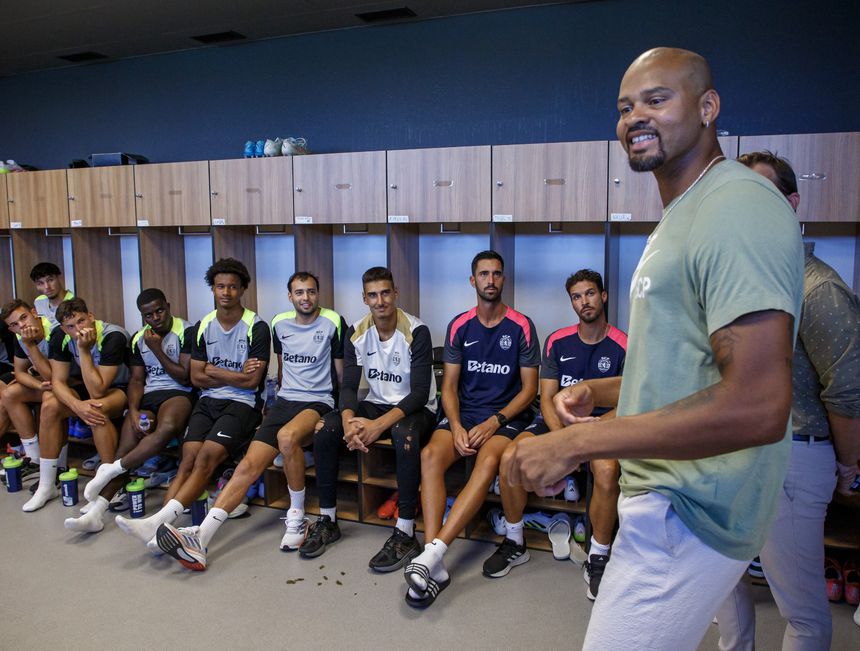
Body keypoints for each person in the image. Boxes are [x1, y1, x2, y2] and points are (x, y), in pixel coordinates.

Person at [502, 47, 803, 650]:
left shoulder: (738, 205)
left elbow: (760, 403)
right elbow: (687, 363)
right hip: (665, 495)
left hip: (686, 508)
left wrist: (578, 442)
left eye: (656, 99)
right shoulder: (681, 216)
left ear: (708, 107)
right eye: (624, 107)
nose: (635, 116)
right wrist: (608, 390)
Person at [715, 151, 860, 650]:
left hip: (794, 456)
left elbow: (846, 393)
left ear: (792, 203)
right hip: (733, 454)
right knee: (724, 589)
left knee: (800, 610)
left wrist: (845, 467)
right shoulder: (740, 280)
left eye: (762, 195)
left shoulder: (818, 291)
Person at [156, 272, 346, 570]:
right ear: (290, 296)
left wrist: (338, 413)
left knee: (286, 439)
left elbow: (342, 376)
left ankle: (296, 519)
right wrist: (272, 404)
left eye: (310, 292)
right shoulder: (279, 323)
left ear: (318, 294)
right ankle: (202, 538)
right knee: (247, 466)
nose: (305, 298)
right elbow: (282, 370)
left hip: (318, 401)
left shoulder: (333, 321)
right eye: (299, 292)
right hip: (285, 401)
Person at [404, 250, 539, 607]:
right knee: (430, 454)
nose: (490, 280)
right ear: (473, 280)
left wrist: (495, 422)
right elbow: (448, 386)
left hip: (504, 420)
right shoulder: (459, 324)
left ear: (503, 280)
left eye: (496, 274)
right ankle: (433, 559)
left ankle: (431, 555)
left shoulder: (522, 325)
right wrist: (460, 425)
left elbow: (529, 390)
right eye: (483, 274)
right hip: (465, 416)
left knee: (488, 461)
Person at [116, 258, 269, 553]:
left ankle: (162, 525)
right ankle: (160, 528)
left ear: (243, 290)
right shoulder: (202, 326)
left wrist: (215, 371)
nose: (226, 292)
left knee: (205, 459)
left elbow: (251, 383)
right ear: (213, 289)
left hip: (242, 404)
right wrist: (232, 373)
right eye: (220, 286)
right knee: (187, 460)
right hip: (207, 401)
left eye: (232, 287)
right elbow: (197, 378)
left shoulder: (257, 327)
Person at [490, 269, 626, 597]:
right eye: (577, 297)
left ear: (603, 296)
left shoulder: (623, 343)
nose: (584, 302)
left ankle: (598, 555)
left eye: (590, 294)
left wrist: (581, 441)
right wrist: (563, 440)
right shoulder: (557, 340)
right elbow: (547, 397)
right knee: (511, 456)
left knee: (607, 470)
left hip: (600, 426)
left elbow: (627, 403)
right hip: (555, 424)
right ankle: (515, 540)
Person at [307, 267, 436, 570]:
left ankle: (405, 532)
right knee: (327, 428)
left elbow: (419, 393)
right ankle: (328, 519)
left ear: (395, 294)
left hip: (416, 410)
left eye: (385, 293)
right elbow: (349, 386)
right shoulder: (357, 332)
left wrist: (377, 426)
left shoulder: (417, 331)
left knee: (404, 434)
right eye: (373, 295)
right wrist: (350, 420)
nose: (380, 301)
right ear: (364, 298)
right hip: (376, 404)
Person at [63, 289, 196, 533]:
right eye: (149, 314)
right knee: (126, 444)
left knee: (166, 428)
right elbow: (136, 381)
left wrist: (156, 348)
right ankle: (96, 512)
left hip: (178, 394)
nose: (156, 317)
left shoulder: (187, 331)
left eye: (160, 310)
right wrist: (133, 410)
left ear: (168, 306)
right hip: (149, 397)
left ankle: (111, 469)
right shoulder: (138, 338)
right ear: (142, 316)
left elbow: (185, 377)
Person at [26, 297, 130, 512]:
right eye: (71, 327)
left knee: (94, 407)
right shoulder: (61, 338)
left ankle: (110, 483)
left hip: (122, 389)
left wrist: (83, 350)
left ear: (91, 317)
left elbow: (98, 390)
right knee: (50, 405)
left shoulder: (113, 335)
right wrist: (75, 405)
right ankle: (47, 484)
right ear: (63, 329)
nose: (78, 330)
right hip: (88, 385)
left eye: (82, 321)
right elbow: (57, 381)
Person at [1, 300, 55, 478]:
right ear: (10, 329)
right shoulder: (20, 336)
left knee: (49, 398)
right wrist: (38, 385)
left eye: (24, 318)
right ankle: (33, 458)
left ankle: (54, 465)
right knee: (10, 394)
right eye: (15, 324)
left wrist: (31, 345)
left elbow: (52, 375)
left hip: (74, 383)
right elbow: (19, 372)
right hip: (49, 384)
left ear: (34, 313)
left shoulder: (55, 330)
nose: (22, 325)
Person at [30, 262, 74, 327]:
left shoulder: (73, 300)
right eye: (40, 283)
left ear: (60, 278)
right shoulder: (39, 301)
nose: (47, 287)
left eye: (50, 280)